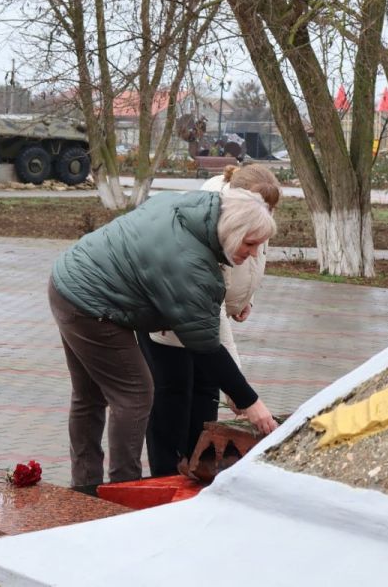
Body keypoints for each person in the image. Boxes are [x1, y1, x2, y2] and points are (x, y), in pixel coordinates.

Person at [49, 187, 279, 489]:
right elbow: (206, 348)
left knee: (89, 395)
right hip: (91, 305)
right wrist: (251, 403)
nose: (252, 254)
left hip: (67, 281)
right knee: (136, 393)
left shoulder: (190, 206)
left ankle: (84, 486)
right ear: (232, 230)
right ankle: (124, 490)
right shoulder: (189, 261)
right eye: (250, 244)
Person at [139, 164, 281, 476]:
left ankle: (197, 467)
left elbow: (254, 259)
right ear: (241, 200)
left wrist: (245, 298)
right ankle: (166, 476)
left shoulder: (254, 206)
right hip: (168, 323)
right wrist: (242, 395)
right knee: (173, 397)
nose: (265, 214)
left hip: (203, 313)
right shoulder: (211, 225)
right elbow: (212, 328)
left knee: (204, 396)